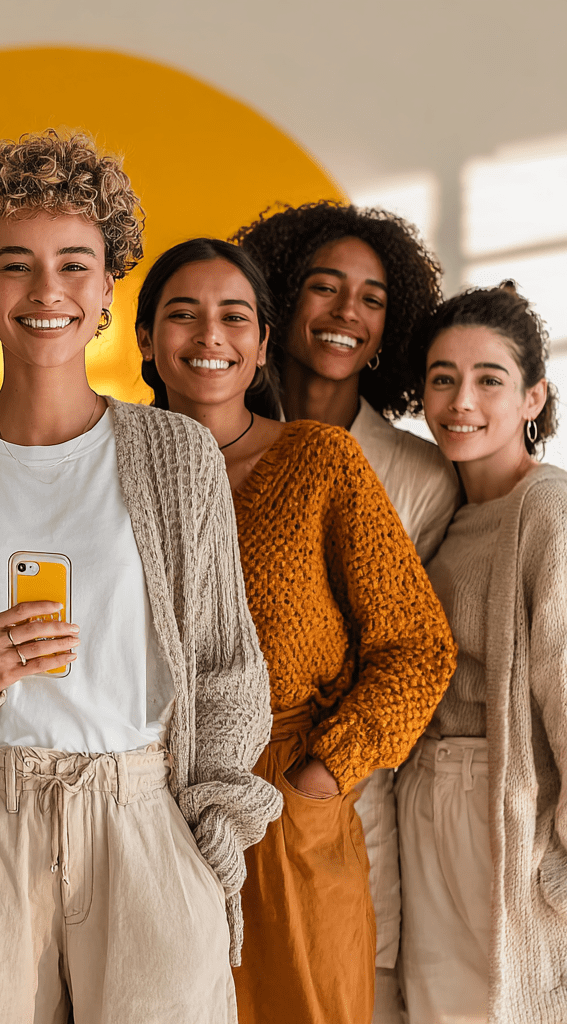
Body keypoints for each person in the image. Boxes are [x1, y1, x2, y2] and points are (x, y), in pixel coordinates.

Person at [0, 132, 281, 1024]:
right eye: (16, 265)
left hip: (146, 821)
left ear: (108, 287)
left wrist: (211, 839)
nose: (46, 291)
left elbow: (231, 668)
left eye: (75, 264)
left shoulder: (178, 457)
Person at [135, 237, 456, 1024]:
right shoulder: (107, 466)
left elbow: (416, 646)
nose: (210, 337)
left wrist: (322, 776)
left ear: (262, 343)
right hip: (138, 804)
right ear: (144, 339)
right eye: (183, 314)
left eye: (234, 316)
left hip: (285, 807)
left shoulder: (320, 462)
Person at [236, 202, 461, 1022]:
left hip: (336, 786)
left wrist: (323, 777)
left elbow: (414, 647)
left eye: (371, 299)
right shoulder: (200, 441)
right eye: (324, 289)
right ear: (279, 301)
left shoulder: (422, 476)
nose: (346, 314)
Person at [399, 283, 567, 1024]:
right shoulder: (448, 510)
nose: (460, 399)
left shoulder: (548, 510)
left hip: (501, 799)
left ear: (533, 398)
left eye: (488, 379)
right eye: (443, 378)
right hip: (426, 798)